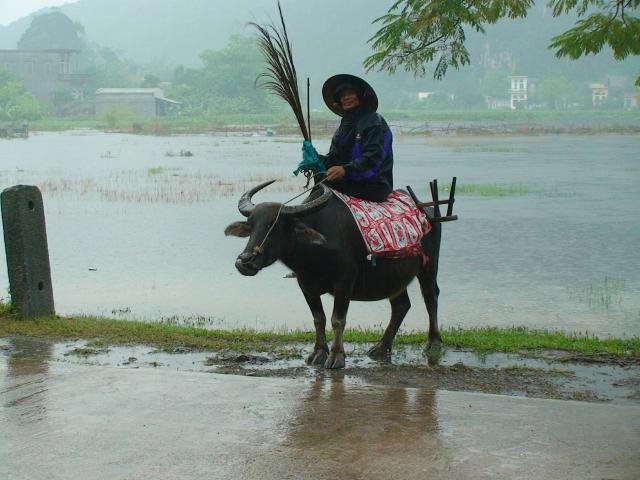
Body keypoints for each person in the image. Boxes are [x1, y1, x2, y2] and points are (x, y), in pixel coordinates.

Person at [305, 74, 394, 202]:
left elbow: (374, 157)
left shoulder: (374, 121)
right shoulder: (343, 127)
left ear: (361, 96)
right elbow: (334, 159)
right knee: (321, 183)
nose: (346, 98)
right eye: (342, 96)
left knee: (326, 188)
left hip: (374, 184)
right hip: (350, 181)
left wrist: (345, 170)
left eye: (350, 93)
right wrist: (315, 159)